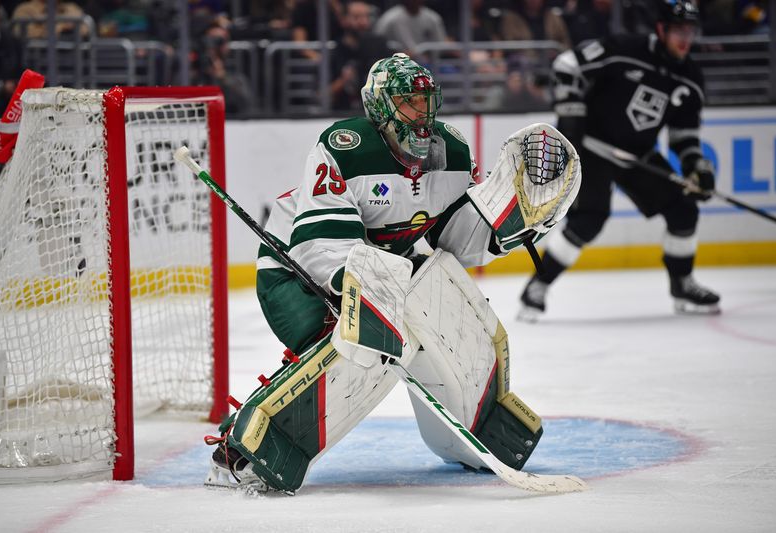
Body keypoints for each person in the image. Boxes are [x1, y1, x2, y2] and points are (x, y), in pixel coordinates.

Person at [203, 53, 577, 494]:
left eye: (426, 101)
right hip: (295, 268)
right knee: (353, 341)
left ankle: (478, 429)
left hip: (383, 269)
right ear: (380, 107)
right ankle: (243, 448)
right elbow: (322, 244)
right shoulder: (343, 148)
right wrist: (357, 288)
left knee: (442, 307)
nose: (421, 114)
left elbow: (451, 240)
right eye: (407, 103)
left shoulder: (452, 154)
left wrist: (507, 222)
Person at [519, 0, 720, 321]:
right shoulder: (625, 48)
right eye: (679, 30)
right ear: (661, 29)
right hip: (592, 147)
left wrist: (697, 167)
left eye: (690, 31)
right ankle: (537, 286)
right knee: (589, 220)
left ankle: (682, 283)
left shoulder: (690, 78)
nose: (686, 38)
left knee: (684, 209)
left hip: (637, 155)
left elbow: (684, 137)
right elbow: (567, 64)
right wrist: (571, 111)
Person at [330, 0, 391, 111]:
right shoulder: (337, 51)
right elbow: (323, 94)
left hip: (377, 112)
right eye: (357, 17)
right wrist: (343, 81)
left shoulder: (380, 45)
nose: (363, 22)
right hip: (343, 113)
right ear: (344, 20)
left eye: (366, 16)